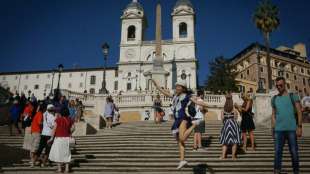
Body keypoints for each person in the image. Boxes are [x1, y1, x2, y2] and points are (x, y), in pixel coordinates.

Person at [151, 79, 208, 169]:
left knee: (183, 138)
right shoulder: (175, 96)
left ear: (183, 88)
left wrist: (208, 105)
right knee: (180, 142)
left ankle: (195, 124)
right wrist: (156, 85)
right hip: (177, 120)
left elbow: (197, 101)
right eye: (176, 86)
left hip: (183, 118)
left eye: (178, 86)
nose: (176, 87)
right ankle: (182, 160)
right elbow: (163, 92)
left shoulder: (187, 96)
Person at [271, 77, 302, 174]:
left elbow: (299, 112)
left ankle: (296, 171)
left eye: (281, 85)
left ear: (285, 85)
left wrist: (299, 126)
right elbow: (273, 114)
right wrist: (273, 128)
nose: (279, 87)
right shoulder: (274, 98)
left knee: (294, 152)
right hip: (278, 130)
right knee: (277, 152)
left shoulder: (293, 96)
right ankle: (277, 171)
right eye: (277, 85)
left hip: (291, 129)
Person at [48, 107, 75, 173]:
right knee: (67, 153)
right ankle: (67, 169)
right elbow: (74, 128)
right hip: (66, 138)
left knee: (58, 153)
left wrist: (51, 138)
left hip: (59, 138)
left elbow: (54, 129)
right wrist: (70, 132)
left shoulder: (58, 119)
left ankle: (59, 169)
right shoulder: (69, 119)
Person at [219, 94, 241, 160]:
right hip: (233, 125)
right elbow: (236, 118)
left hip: (226, 125)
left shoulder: (223, 109)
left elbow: (222, 118)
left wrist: (226, 121)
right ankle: (233, 156)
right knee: (234, 141)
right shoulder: (234, 109)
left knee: (225, 142)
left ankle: (223, 156)